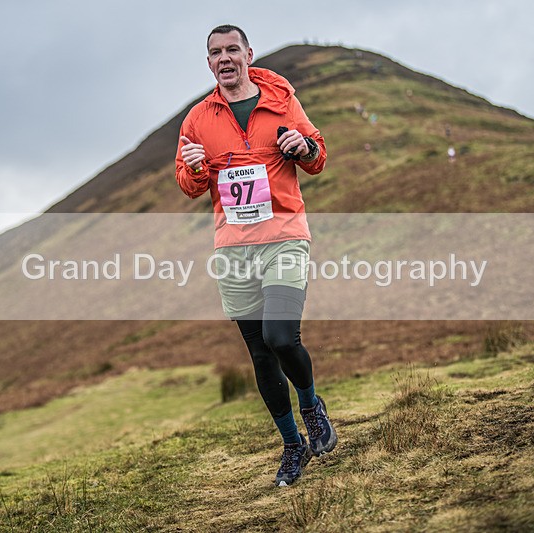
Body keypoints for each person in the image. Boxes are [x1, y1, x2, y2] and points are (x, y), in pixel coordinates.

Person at [175, 24, 336, 487]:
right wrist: (194, 168)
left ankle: (312, 407)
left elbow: (317, 156)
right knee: (261, 354)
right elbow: (189, 185)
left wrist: (303, 146)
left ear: (248, 54)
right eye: (215, 52)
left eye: (232, 49)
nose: (224, 58)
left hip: (284, 235)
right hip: (234, 249)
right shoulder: (197, 119)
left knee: (281, 337)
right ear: (209, 63)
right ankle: (292, 446)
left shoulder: (282, 100)